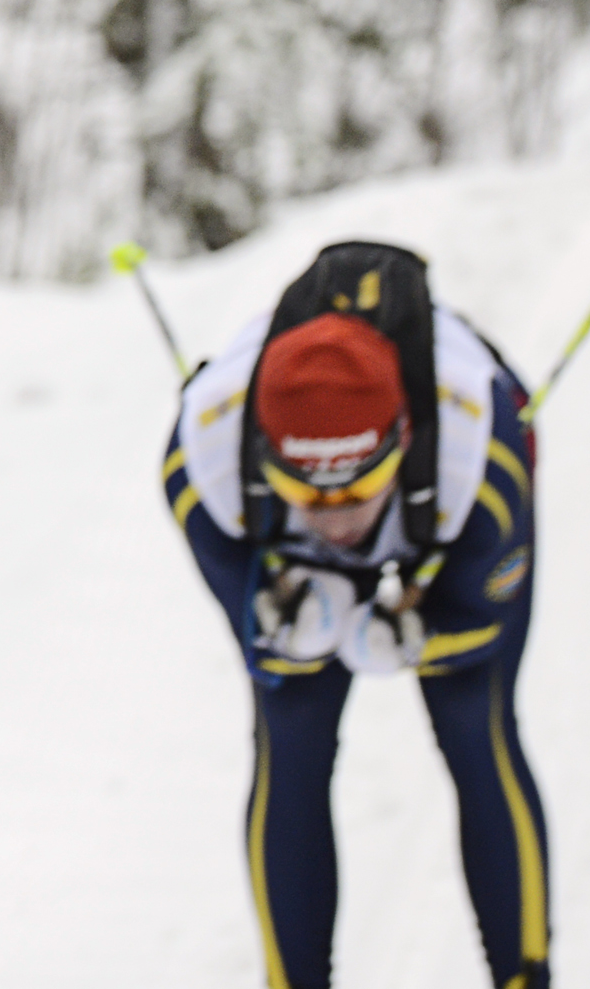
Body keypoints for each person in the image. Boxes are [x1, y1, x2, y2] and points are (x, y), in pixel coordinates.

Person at [161, 243, 554, 989]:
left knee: (476, 725)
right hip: (304, 537)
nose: (335, 516)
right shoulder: (202, 460)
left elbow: (483, 623)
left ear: (400, 443)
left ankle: (523, 978)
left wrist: (423, 633)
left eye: (356, 490)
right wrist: (278, 626)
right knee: (291, 735)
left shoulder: (482, 455)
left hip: (441, 513)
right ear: (264, 456)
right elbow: (260, 642)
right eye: (310, 494)